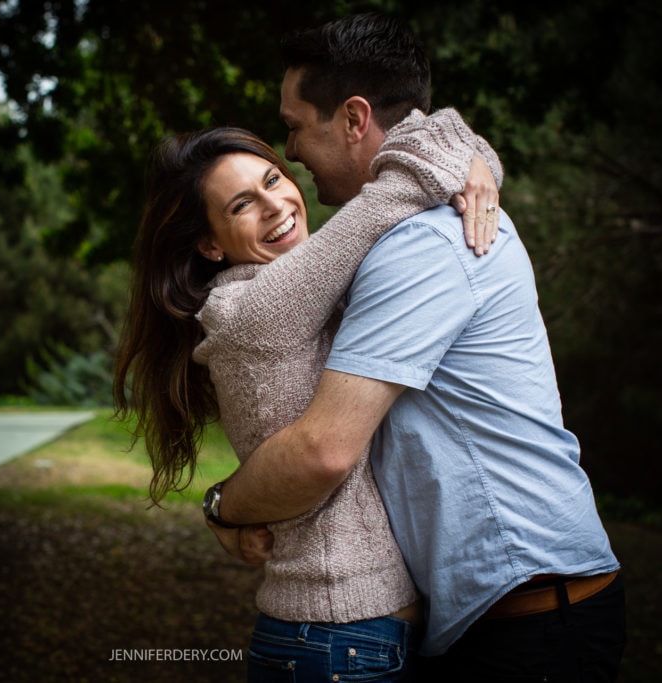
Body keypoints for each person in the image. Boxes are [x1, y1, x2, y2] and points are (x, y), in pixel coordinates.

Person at [208, 12, 626, 681]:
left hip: (530, 613)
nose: (289, 152)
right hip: (496, 613)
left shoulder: (422, 244)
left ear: (352, 118)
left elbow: (324, 448)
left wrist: (225, 505)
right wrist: (467, 156)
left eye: (294, 126)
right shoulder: (413, 224)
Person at [114, 104, 502, 681]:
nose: (276, 206)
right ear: (211, 246)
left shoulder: (291, 292)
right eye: (242, 205)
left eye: (273, 179)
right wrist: (471, 157)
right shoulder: (253, 309)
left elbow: (443, 171)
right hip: (336, 638)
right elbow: (392, 195)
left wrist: (473, 162)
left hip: (345, 637)